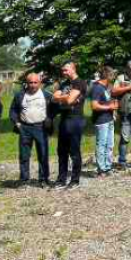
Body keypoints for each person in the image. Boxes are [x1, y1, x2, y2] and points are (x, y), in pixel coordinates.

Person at [9, 73, 55, 187]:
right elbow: (13, 110)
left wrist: (50, 119)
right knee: (24, 155)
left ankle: (44, 179)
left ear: (40, 83)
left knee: (43, 154)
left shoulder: (47, 95)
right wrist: (17, 122)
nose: (33, 85)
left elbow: (55, 109)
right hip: (25, 128)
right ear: (27, 83)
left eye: (35, 82)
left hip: (41, 128)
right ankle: (24, 180)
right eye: (30, 82)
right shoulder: (20, 95)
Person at [51, 62, 88, 190]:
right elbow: (53, 98)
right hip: (64, 119)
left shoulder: (80, 82)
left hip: (75, 120)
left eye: (66, 70)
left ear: (73, 69)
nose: (64, 72)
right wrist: (65, 97)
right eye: (63, 70)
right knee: (61, 151)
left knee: (74, 151)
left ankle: (75, 180)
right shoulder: (64, 83)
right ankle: (61, 179)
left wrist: (62, 97)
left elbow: (70, 100)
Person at [90, 66, 119, 177]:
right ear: (107, 75)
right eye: (112, 74)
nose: (113, 76)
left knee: (110, 144)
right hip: (101, 120)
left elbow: (107, 101)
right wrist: (109, 107)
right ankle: (101, 169)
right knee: (101, 144)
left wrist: (113, 105)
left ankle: (108, 167)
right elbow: (94, 105)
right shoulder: (97, 87)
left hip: (109, 119)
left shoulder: (106, 87)